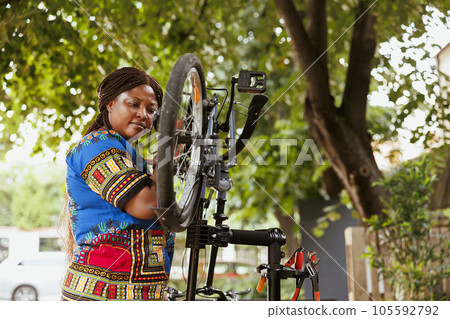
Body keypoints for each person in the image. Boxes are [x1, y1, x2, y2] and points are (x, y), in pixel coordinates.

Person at [59, 67, 174, 301]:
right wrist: (167, 151)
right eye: (134, 104)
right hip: (100, 295)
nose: (144, 114)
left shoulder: (133, 157)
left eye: (152, 110)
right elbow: (146, 205)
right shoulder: (96, 145)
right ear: (110, 104)